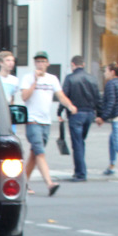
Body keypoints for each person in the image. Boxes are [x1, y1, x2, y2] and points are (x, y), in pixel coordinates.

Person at [20, 51, 76, 196]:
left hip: (46, 122)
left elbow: (61, 95)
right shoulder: (27, 78)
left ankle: (22, 183)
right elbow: (24, 97)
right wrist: (35, 82)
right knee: (40, 153)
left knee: (34, 154)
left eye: (43, 61)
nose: (40, 64)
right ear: (35, 63)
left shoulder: (52, 79)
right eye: (38, 61)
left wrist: (70, 106)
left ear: (47, 63)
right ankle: (49, 183)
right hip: (32, 121)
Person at [61, 55, 102, 181]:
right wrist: (99, 114)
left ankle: (80, 173)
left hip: (76, 114)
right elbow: (97, 98)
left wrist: (59, 112)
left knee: (77, 144)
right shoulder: (92, 78)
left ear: (73, 65)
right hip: (89, 114)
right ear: (83, 64)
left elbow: (64, 96)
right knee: (81, 142)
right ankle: (79, 170)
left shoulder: (70, 78)